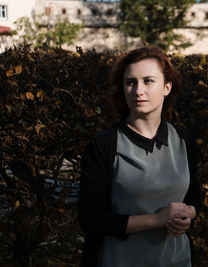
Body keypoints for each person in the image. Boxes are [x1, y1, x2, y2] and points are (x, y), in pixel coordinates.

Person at [77, 46, 201, 267]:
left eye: (148, 81)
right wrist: (156, 219)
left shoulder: (183, 140)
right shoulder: (105, 145)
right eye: (130, 82)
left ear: (167, 87)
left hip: (177, 261)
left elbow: (195, 198)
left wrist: (187, 214)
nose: (138, 91)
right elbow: (90, 218)